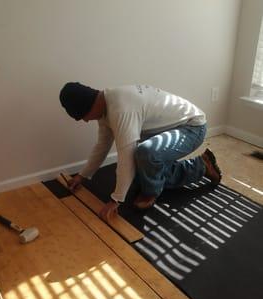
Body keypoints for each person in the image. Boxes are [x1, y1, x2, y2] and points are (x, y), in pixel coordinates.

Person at [59, 82, 221, 222]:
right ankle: (200, 165)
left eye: (84, 116)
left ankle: (154, 191)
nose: (86, 121)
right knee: (142, 169)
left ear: (90, 105)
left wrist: (116, 199)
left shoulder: (121, 109)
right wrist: (82, 175)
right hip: (171, 128)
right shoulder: (106, 106)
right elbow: (102, 146)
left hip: (192, 128)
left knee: (146, 153)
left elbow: (126, 157)